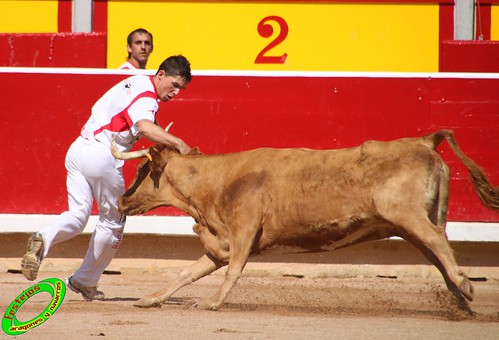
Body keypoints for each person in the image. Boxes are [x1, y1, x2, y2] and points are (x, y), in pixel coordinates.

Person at [21, 55, 193, 301]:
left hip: (78, 150)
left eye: (181, 89)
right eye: (174, 85)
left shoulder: (134, 82)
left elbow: (137, 120)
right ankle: (84, 281)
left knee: (78, 215)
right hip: (101, 156)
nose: (176, 92)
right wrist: (178, 142)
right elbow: (144, 126)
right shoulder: (147, 97)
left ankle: (43, 238)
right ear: (161, 74)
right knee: (113, 220)